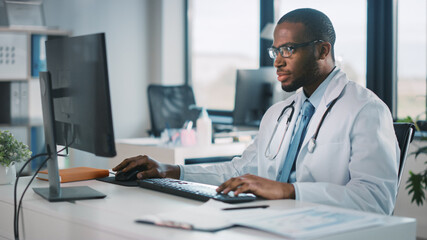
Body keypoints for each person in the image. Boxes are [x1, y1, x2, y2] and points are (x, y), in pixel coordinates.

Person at [113, 8, 399, 215]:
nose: (277, 62)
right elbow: (239, 171)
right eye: (275, 51)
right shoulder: (279, 113)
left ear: (323, 51)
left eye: (288, 49)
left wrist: (290, 191)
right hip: (271, 222)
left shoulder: (365, 110)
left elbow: (376, 200)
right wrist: (172, 170)